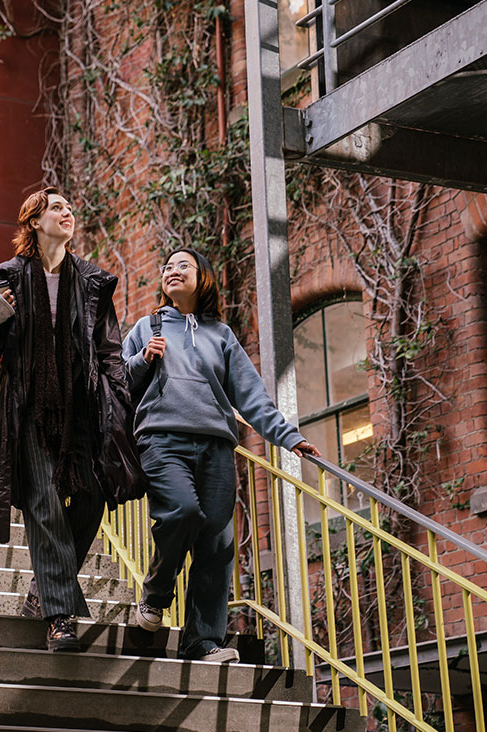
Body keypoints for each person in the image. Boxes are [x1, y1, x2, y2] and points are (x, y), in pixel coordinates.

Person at [0, 187, 140, 652]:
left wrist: (120, 403)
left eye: (70, 209)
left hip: (82, 408)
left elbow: (109, 350)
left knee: (90, 501)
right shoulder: (8, 276)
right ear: (34, 221)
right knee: (44, 503)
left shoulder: (94, 281)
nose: (68, 214)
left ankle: (42, 592)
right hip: (27, 408)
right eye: (57, 207)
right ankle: (60, 619)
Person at [121, 248, 320, 663]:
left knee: (217, 543)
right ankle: (156, 596)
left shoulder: (221, 335)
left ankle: (203, 642)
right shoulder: (146, 327)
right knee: (181, 511)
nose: (171, 271)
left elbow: (251, 396)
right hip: (162, 439)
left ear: (203, 278)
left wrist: (287, 437)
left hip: (215, 446)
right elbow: (116, 381)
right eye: (167, 267)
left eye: (183, 266)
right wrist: (142, 360)